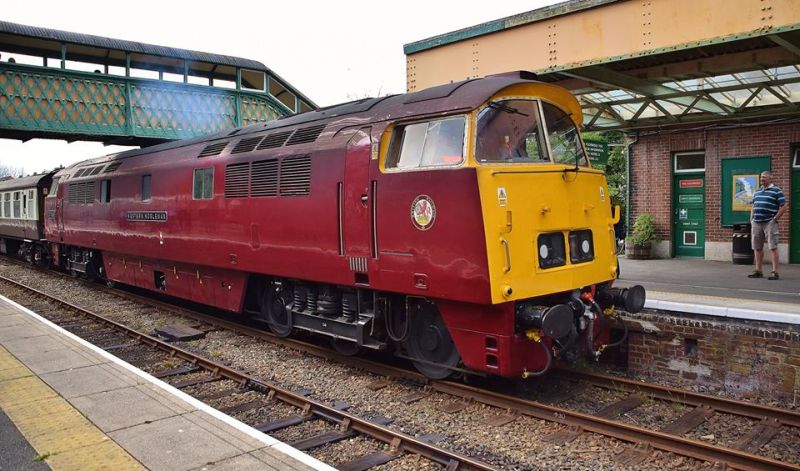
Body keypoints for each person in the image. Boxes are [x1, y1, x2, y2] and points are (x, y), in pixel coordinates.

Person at [748, 170, 787, 280]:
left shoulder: (777, 191)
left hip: (769, 222)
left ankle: (775, 272)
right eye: (761, 177)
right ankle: (758, 271)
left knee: (772, 247)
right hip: (756, 222)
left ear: (770, 178)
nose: (762, 179)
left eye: (764, 177)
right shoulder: (757, 191)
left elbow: (783, 206)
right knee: (757, 247)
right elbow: (754, 206)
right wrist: (751, 219)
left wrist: (775, 219)